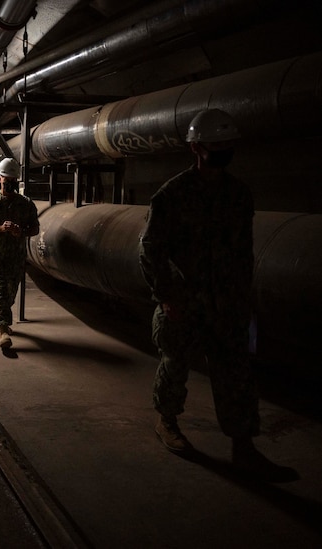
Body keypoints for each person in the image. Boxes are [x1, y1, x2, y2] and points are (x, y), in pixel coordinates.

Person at [139, 109, 296, 482]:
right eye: (216, 145)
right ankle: (167, 421)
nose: (224, 150)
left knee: (236, 374)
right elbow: (150, 250)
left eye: (229, 144)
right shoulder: (173, 195)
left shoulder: (239, 195)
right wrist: (167, 296)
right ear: (196, 147)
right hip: (185, 302)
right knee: (175, 366)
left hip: (227, 304)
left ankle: (244, 446)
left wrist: (244, 298)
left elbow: (243, 252)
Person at [0, 158, 39, 350]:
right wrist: (0, 229)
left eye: (13, 179)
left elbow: (35, 228)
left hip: (16, 256)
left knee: (11, 293)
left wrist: (21, 231)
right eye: (6, 179)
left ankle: (0, 319)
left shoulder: (26, 204)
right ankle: (3, 329)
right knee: (1, 290)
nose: (9, 183)